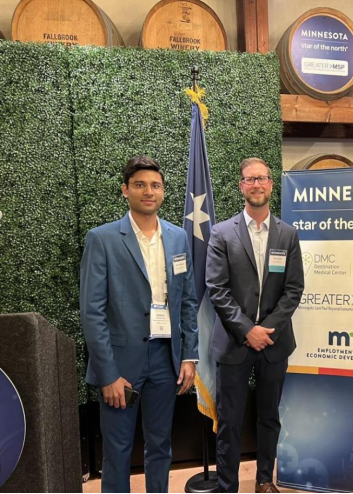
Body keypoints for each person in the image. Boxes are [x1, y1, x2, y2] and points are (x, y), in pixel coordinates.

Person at [80, 155, 199, 493]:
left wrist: (189, 355)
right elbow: (92, 312)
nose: (149, 191)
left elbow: (187, 301)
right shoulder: (102, 239)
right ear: (125, 190)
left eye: (155, 185)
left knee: (161, 445)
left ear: (163, 191)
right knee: (117, 450)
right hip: (120, 365)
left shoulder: (178, 238)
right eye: (140, 185)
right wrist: (107, 374)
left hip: (166, 359)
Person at [206, 157, 304, 493]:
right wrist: (248, 330)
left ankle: (264, 480)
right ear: (241, 186)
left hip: (274, 344)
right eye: (250, 179)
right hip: (234, 343)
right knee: (229, 421)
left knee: (269, 417)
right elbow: (217, 289)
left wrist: (267, 330)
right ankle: (228, 487)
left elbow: (294, 289)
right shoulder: (221, 233)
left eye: (262, 178)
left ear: (271, 184)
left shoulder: (288, 235)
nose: (256, 184)